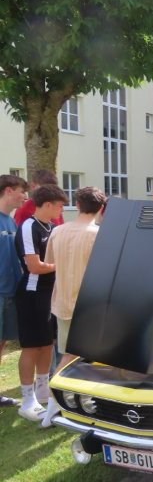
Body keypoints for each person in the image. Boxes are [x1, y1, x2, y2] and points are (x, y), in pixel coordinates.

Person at [40, 187, 106, 427]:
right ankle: (57, 406)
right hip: (90, 305)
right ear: (101, 208)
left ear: (77, 205)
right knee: (82, 358)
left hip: (64, 302)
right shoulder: (99, 235)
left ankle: (57, 406)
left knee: (69, 356)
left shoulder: (57, 231)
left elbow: (49, 261)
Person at [14, 184, 68, 420]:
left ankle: (43, 391)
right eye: (59, 206)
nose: (61, 210)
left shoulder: (53, 227)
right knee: (31, 346)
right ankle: (27, 400)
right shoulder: (29, 226)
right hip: (32, 293)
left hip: (51, 293)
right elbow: (34, 266)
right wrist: (62, 264)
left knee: (47, 344)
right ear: (47, 204)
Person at [0, 175, 27, 408]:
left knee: (2, 344)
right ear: (8, 190)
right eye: (21, 191)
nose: (25, 197)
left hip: (10, 293)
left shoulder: (10, 222)